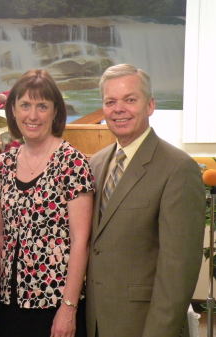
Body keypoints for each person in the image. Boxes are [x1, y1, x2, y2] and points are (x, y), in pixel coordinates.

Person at [86, 64, 206, 337]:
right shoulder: (96, 163)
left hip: (144, 325)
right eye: (110, 101)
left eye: (130, 100)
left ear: (150, 105)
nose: (119, 109)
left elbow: (178, 269)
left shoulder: (178, 168)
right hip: (96, 321)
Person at [0, 69, 94, 337]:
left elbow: (80, 240)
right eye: (25, 105)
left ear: (55, 112)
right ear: (12, 110)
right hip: (8, 303)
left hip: (53, 305)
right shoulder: (3, 164)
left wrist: (68, 308)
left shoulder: (72, 162)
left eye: (42, 106)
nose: (32, 115)